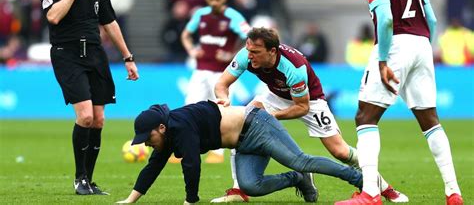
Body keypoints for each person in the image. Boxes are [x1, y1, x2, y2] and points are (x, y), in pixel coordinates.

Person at [212, 27, 407, 203]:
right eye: (249, 51)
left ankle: (385, 188)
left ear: (272, 51)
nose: (250, 56)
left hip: (310, 101)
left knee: (340, 151)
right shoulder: (246, 54)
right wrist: (223, 99)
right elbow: (221, 85)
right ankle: (238, 190)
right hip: (275, 95)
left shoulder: (294, 68)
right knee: (241, 125)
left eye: (255, 52)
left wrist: (272, 116)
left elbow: (302, 107)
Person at [337, 0, 464, 204]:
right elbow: (433, 19)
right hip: (421, 44)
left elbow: (384, 19)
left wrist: (384, 60)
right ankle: (454, 192)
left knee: (365, 117)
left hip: (394, 44)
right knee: (430, 120)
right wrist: (422, 51)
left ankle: (370, 193)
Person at [39, 0, 139, 196]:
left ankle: (89, 181)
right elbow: (53, 16)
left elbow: (109, 22)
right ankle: (79, 178)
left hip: (95, 54)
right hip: (67, 54)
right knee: (85, 116)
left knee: (98, 120)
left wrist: (127, 57)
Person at [116, 101, 364, 204]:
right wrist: (130, 200)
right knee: (250, 186)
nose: (146, 144)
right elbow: (153, 166)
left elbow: (191, 164)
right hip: (242, 144)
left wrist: (190, 200)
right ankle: (296, 178)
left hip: (258, 125)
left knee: (300, 159)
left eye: (147, 138)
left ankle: (360, 178)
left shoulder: (179, 126)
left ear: (160, 128)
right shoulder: (166, 135)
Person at [180, 0, 250, 163]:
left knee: (220, 111)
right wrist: (191, 50)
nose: (214, 3)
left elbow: (250, 37)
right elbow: (185, 35)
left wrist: (232, 54)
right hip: (200, 70)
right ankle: (185, 148)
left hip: (222, 74)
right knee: (189, 108)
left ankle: (218, 152)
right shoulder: (201, 15)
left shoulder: (234, 17)